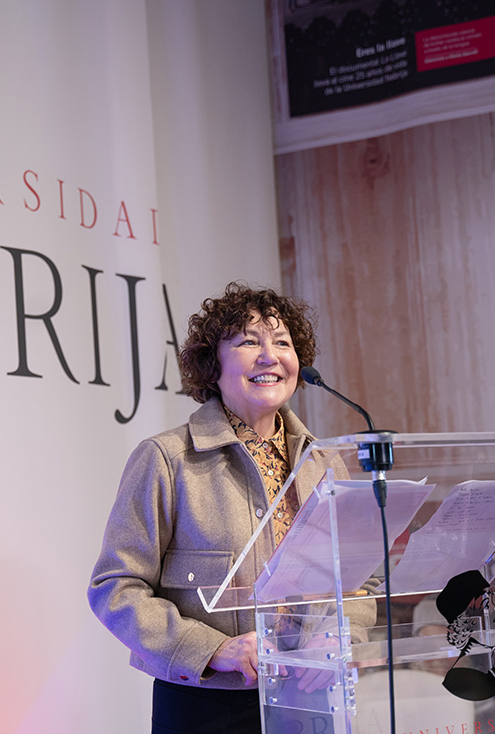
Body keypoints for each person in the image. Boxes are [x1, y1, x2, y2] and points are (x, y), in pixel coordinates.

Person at [88, 282, 375, 734]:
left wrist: (341, 635)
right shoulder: (167, 459)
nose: (269, 356)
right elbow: (115, 588)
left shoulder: (325, 461)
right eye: (248, 342)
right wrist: (211, 650)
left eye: (282, 343)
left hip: (310, 696)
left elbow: (361, 580)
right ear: (212, 364)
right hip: (207, 705)